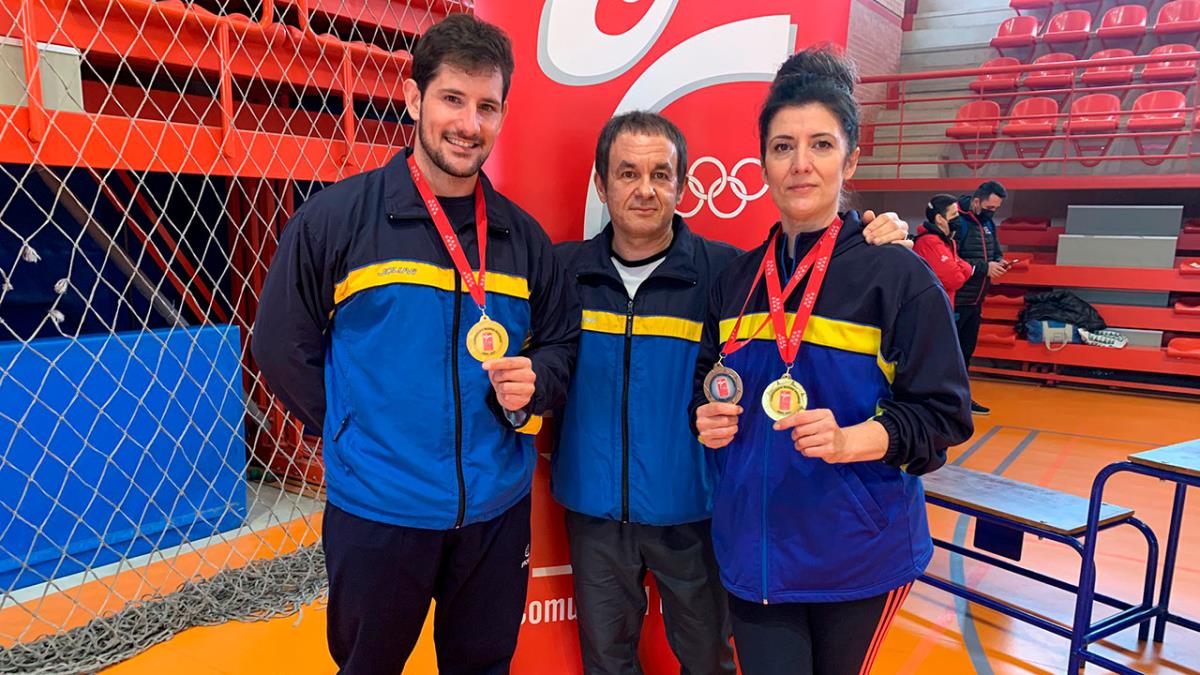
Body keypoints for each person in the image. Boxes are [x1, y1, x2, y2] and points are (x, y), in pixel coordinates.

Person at [251, 14, 579, 675]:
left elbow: (564, 341)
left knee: (483, 665)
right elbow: (279, 343)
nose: (469, 123)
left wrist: (537, 380)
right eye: (453, 99)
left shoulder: (522, 238)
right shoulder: (336, 221)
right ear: (413, 98)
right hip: (378, 509)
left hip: (494, 512)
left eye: (487, 106)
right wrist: (352, 428)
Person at [553, 112, 912, 675]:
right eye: (626, 174)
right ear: (602, 183)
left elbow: (822, 270)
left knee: (707, 660)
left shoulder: (727, 274)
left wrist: (871, 233)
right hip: (594, 513)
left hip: (693, 510)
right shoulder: (562, 270)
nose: (644, 189)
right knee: (606, 661)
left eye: (660, 174)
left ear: (683, 184)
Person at [689, 47, 973, 675]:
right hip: (753, 553)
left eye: (820, 144)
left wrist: (854, 440)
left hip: (856, 557)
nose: (801, 164)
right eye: (783, 146)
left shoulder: (898, 275)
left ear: (852, 156)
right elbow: (709, 383)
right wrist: (703, 418)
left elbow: (944, 416)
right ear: (762, 161)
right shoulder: (737, 280)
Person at [954, 180, 1008, 415]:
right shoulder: (957, 223)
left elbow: (995, 251)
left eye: (996, 209)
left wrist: (1000, 261)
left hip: (976, 302)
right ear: (977, 201)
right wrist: (985, 267)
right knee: (950, 355)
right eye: (990, 208)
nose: (992, 212)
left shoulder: (989, 224)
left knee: (966, 353)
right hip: (956, 301)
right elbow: (952, 259)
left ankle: (962, 400)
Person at [914, 194, 974, 306]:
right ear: (940, 219)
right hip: (932, 310)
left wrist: (962, 268)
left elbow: (966, 268)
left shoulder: (945, 241)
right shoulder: (929, 242)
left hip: (944, 307)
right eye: (954, 214)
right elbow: (955, 280)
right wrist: (962, 268)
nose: (958, 218)